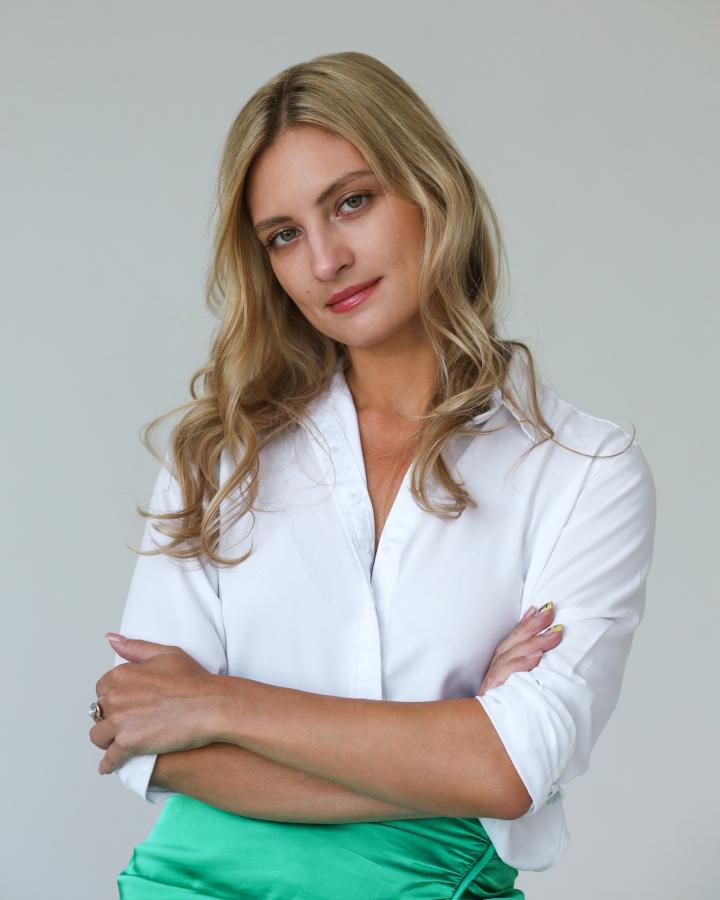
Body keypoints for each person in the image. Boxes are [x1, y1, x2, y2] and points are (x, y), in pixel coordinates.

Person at [89, 51, 656, 899]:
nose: (325, 260)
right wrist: (453, 749)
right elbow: (151, 742)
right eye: (283, 236)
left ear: (433, 191)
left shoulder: (583, 470)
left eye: (351, 202)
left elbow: (513, 767)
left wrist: (220, 704)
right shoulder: (218, 456)